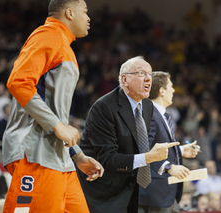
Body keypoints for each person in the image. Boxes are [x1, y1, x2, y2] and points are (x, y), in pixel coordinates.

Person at [2, 0, 104, 212]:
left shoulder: (63, 44)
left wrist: (78, 155)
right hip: (34, 154)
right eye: (84, 12)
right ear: (69, 13)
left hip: (58, 157)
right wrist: (57, 125)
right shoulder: (48, 35)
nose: (89, 18)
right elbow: (18, 82)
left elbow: (54, 111)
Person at [77, 57, 179, 213]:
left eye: (150, 74)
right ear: (124, 79)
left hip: (131, 189)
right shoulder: (103, 108)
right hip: (103, 193)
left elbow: (140, 145)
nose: (148, 79)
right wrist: (148, 157)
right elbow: (107, 158)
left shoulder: (147, 105)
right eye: (141, 73)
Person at [139, 71, 200, 213]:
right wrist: (168, 167)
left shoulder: (162, 114)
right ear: (161, 91)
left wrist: (182, 150)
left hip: (165, 193)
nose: (173, 90)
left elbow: (158, 148)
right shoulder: (151, 115)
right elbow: (143, 151)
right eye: (171, 86)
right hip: (154, 194)